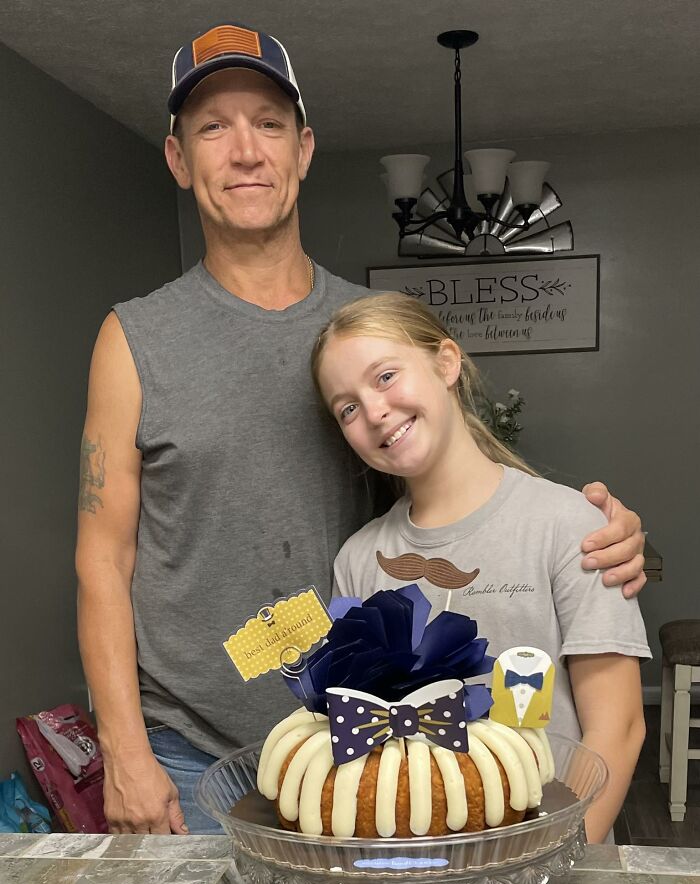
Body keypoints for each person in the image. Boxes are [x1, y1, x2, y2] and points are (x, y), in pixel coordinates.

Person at [75, 21, 647, 836]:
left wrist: (599, 530)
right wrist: (123, 746)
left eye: (268, 123)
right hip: (188, 756)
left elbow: (461, 482)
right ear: (177, 159)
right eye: (213, 127)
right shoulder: (132, 340)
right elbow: (104, 555)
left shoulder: (361, 335)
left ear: (303, 149)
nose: (245, 152)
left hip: (370, 752)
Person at [311, 292, 650, 843]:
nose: (373, 410)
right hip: (414, 868)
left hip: (551, 863)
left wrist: (554, 863)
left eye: (386, 376)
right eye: (346, 407)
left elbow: (621, 727)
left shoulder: (568, 525)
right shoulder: (356, 561)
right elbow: (360, 734)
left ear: (447, 363)